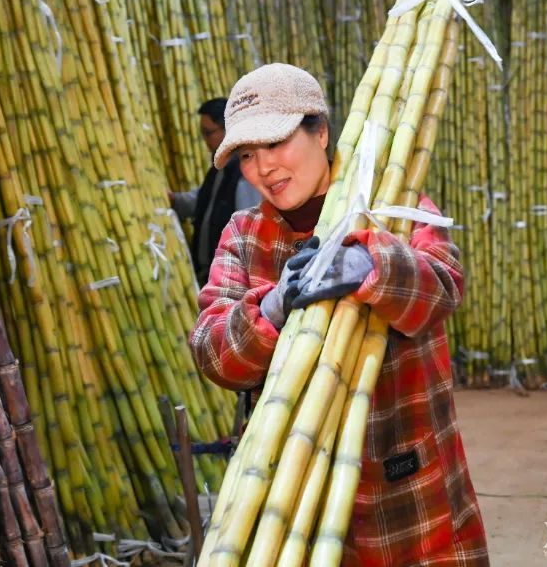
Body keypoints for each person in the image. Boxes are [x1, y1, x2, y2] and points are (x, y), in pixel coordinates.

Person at [189, 63, 489, 566]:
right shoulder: (244, 234)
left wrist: (370, 262)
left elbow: (443, 286)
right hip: (292, 494)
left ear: (321, 131)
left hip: (408, 488)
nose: (263, 169)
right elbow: (212, 352)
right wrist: (272, 306)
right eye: (247, 154)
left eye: (277, 143)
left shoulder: (394, 205)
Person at [170, 98, 260, 286]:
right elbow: (206, 201)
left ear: (228, 129)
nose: (205, 141)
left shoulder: (245, 173)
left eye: (208, 133)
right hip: (212, 276)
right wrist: (175, 201)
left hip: (231, 281)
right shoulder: (219, 168)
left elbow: (250, 234)